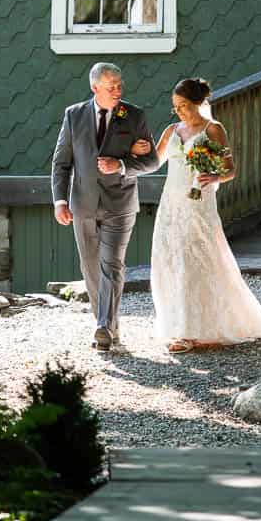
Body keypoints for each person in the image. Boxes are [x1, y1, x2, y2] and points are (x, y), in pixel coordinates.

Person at [132, 77, 261, 352]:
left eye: (183, 105)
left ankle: (190, 331)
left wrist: (214, 175)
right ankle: (176, 324)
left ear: (198, 103)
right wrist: (132, 155)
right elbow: (153, 163)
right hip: (171, 204)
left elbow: (231, 170)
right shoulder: (172, 130)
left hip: (198, 202)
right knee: (171, 259)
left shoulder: (213, 130)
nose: (179, 111)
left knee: (198, 259)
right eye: (175, 107)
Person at [51, 62, 159, 352]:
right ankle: (110, 327)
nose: (117, 90)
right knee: (91, 269)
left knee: (111, 264)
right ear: (94, 87)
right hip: (82, 205)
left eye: (119, 85)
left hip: (120, 204)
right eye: (110, 86)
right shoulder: (73, 116)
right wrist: (60, 200)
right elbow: (62, 163)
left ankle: (102, 328)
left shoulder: (134, 115)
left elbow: (152, 162)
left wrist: (121, 164)